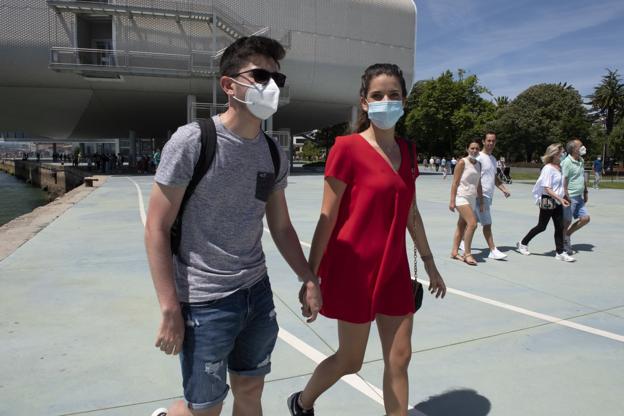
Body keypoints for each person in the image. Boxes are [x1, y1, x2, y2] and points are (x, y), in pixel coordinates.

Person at [146, 36, 322, 416]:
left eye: (277, 78)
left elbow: (282, 226)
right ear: (228, 85)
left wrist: (308, 276)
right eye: (260, 75)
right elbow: (157, 227)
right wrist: (168, 307)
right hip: (204, 300)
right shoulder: (193, 141)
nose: (271, 86)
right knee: (205, 408)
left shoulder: (274, 153)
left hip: (256, 295)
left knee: (250, 391)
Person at [287, 63, 446, 416]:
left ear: (404, 101)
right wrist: (310, 277)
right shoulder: (346, 148)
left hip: (394, 270)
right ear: (364, 102)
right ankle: (302, 402)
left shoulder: (408, 151)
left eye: (393, 95)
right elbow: (326, 219)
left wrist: (431, 264)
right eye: (378, 96)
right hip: (353, 271)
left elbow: (411, 212)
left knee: (400, 359)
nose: (385, 101)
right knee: (351, 360)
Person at [517, 144, 575, 262]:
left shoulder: (560, 167)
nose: (564, 154)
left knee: (559, 227)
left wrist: (565, 197)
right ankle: (523, 243)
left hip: (558, 200)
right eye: (562, 152)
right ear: (555, 154)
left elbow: (561, 185)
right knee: (542, 226)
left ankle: (560, 252)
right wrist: (560, 199)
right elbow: (547, 188)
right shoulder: (548, 168)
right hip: (548, 200)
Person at [470, 132, 511, 260]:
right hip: (480, 196)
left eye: (493, 141)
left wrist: (503, 189)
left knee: (471, 223)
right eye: (488, 140)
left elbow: (493, 177)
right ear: (483, 141)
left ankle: (461, 244)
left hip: (488, 195)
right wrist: (479, 196)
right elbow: (472, 176)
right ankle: (492, 250)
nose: (491, 143)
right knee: (487, 224)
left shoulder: (493, 159)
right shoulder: (478, 157)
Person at [449, 140, 484, 266]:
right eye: (472, 148)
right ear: (467, 149)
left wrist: (481, 201)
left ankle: (454, 252)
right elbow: (455, 182)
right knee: (473, 224)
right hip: (461, 197)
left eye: (477, 148)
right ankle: (467, 254)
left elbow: (478, 184)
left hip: (472, 199)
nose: (474, 150)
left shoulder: (479, 164)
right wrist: (452, 201)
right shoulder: (462, 162)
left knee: (461, 225)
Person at [561, 139, 590, 255]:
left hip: (579, 196)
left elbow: (582, 176)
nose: (583, 147)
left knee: (585, 218)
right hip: (570, 196)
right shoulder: (567, 162)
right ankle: (563, 244)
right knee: (567, 221)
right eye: (580, 146)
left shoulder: (581, 160)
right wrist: (565, 195)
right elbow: (564, 179)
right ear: (573, 149)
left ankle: (567, 235)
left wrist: (586, 191)